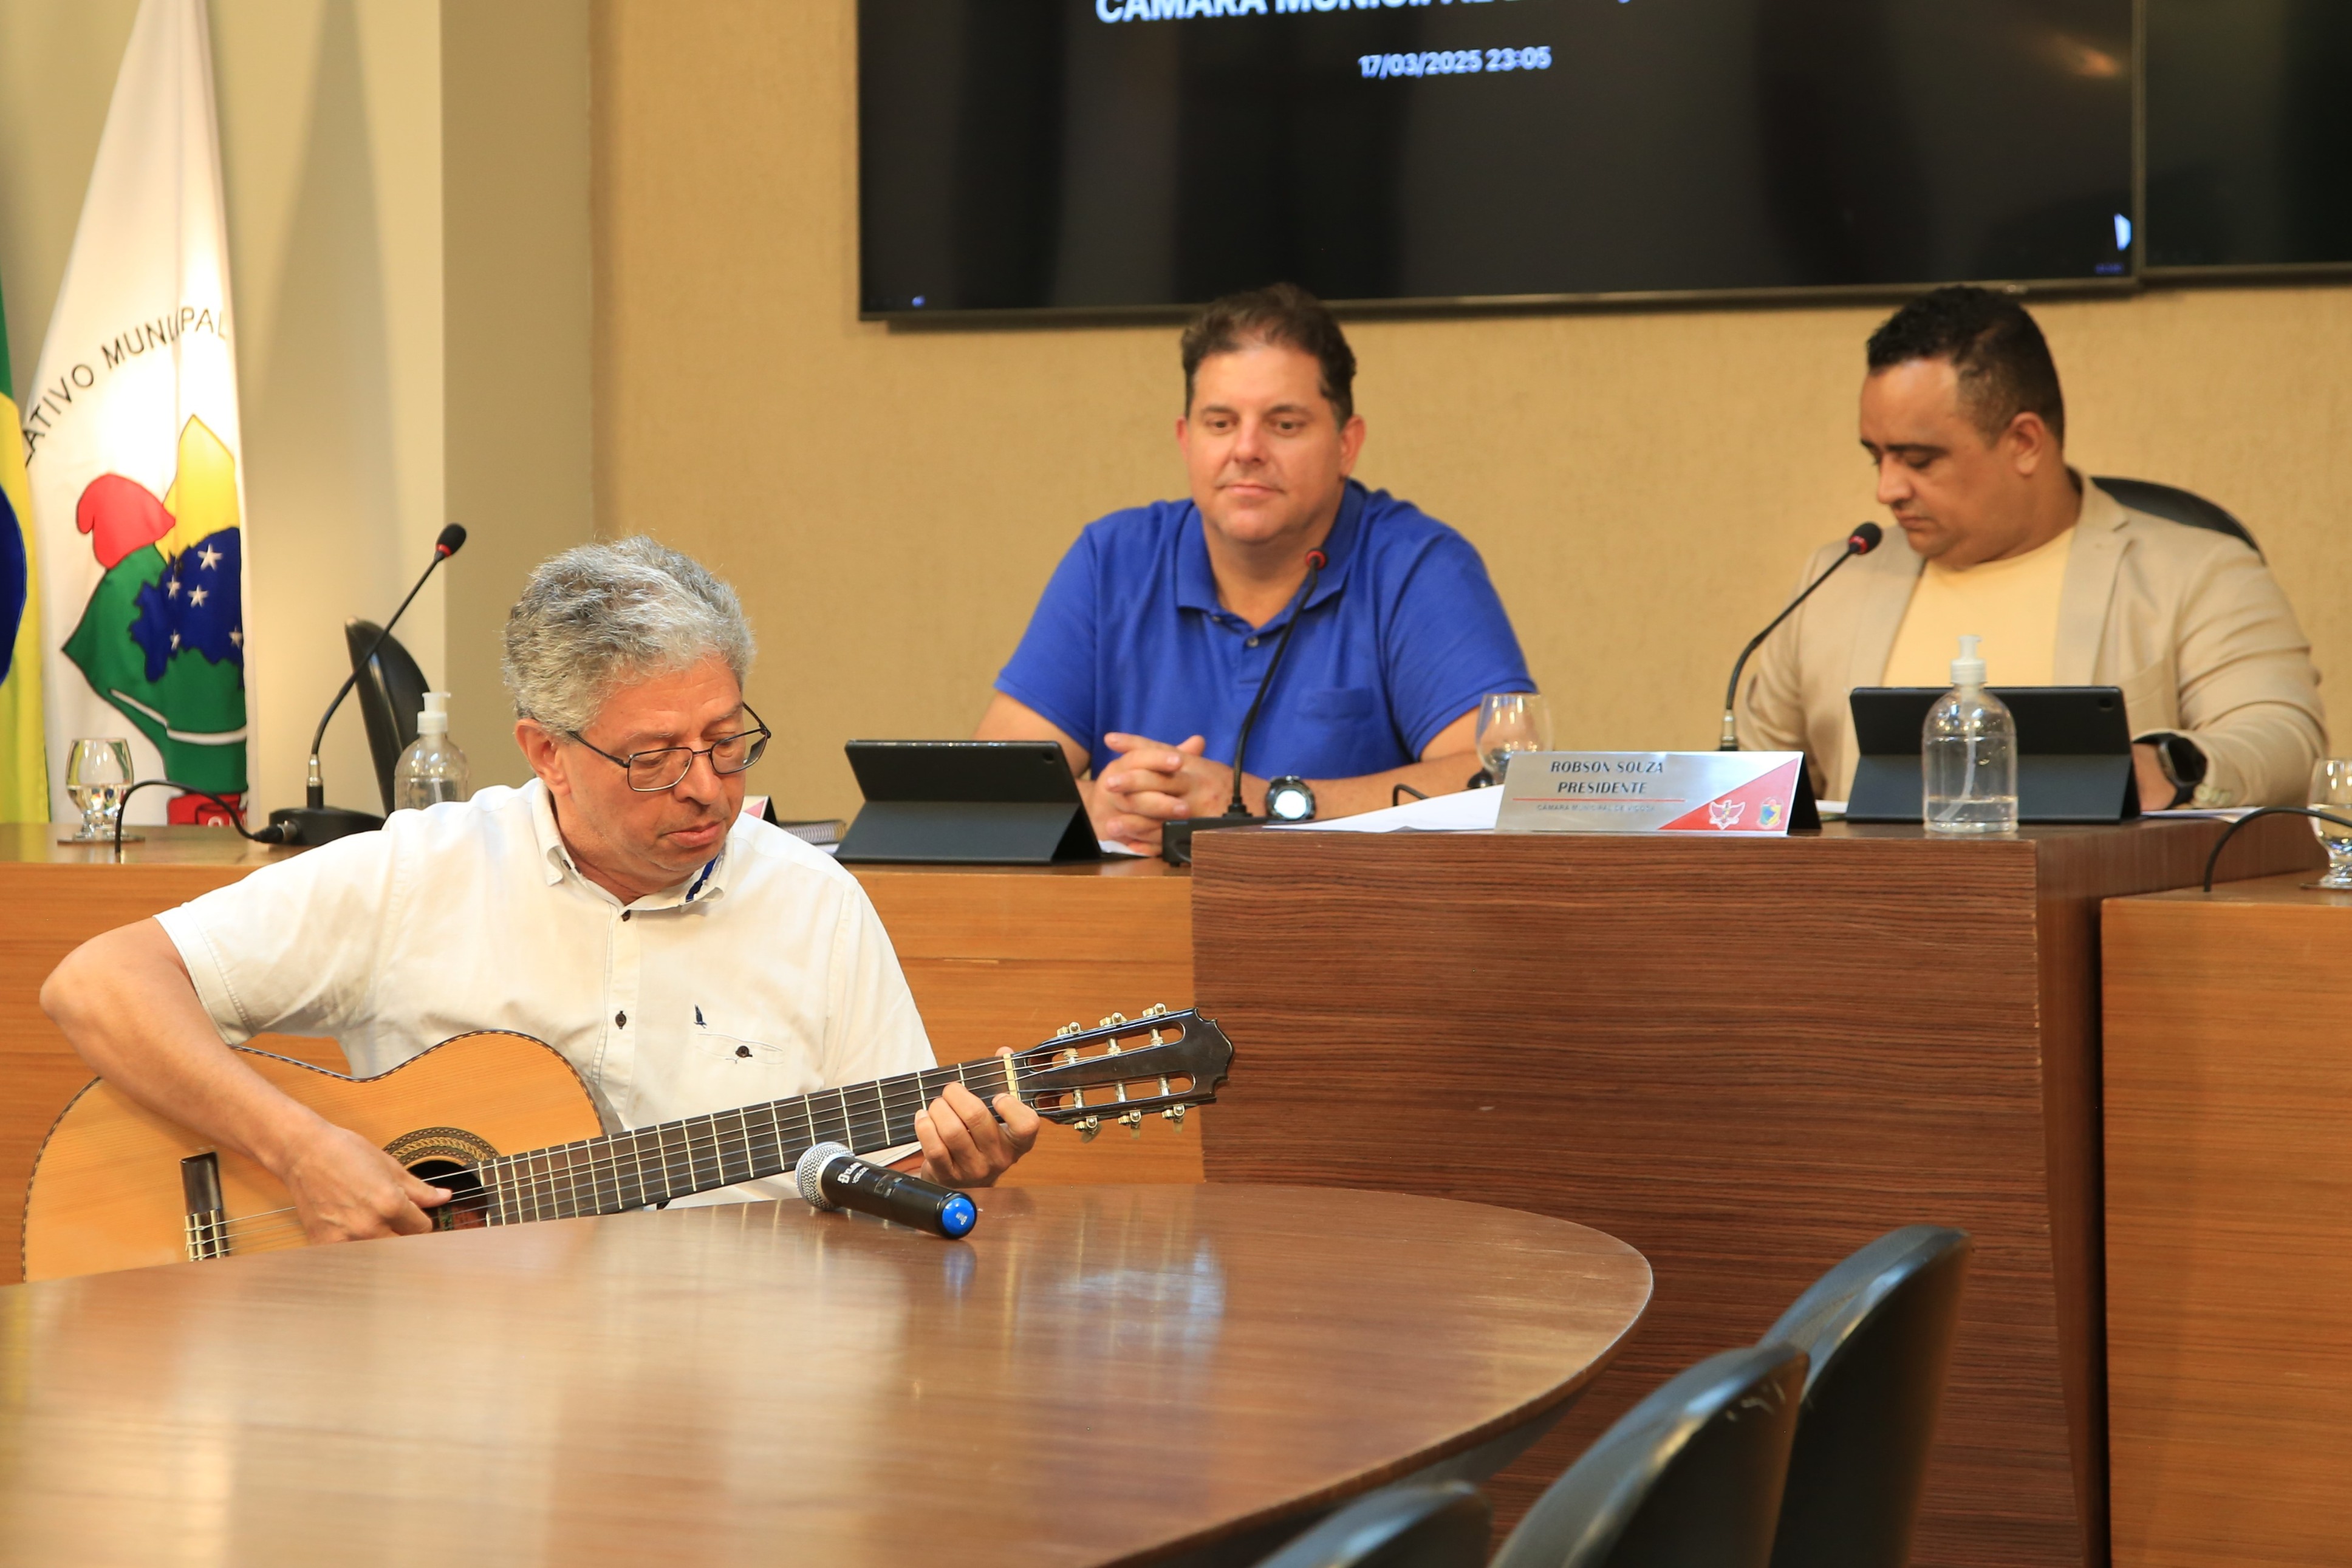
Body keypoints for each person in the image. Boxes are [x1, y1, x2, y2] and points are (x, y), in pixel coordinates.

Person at [40, 538, 1037, 1245]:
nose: (703, 785)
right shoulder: (421, 869)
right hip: (440, 1396)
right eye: (652, 757)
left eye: (726, 741)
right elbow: (99, 982)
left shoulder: (816, 906)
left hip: (731, 1391)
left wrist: (946, 1168)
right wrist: (301, 1149)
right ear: (546, 752)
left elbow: (887, 1176)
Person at [977, 284, 1533, 851]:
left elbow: (1501, 784)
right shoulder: (1111, 560)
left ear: (1347, 445)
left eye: (1284, 424)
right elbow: (990, 789)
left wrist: (1268, 805)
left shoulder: (1419, 568)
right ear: (1185, 440)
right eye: (1220, 424)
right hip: (1130, 925)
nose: (1246, 449)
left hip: (1348, 925)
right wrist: (1098, 805)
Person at [1738, 285, 2323, 809]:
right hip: (1865, 921)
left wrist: (2166, 767)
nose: (1886, 489)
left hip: (2092, 919)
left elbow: (2284, 743)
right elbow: (1751, 788)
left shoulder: (2200, 574)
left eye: (1918, 460)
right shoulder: (1837, 578)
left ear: (2023, 442)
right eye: (1877, 456)